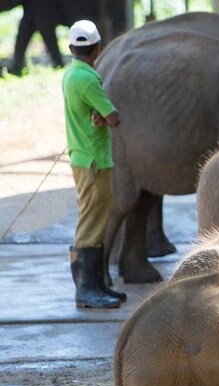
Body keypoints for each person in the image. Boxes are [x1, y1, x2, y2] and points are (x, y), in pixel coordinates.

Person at [62, 19, 126, 308]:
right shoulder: (87, 78)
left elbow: (93, 111)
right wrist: (106, 116)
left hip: (83, 155)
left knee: (94, 220)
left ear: (71, 47)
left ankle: (96, 285)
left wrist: (97, 115)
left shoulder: (71, 74)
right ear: (98, 47)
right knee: (91, 223)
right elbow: (114, 117)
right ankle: (86, 290)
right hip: (93, 160)